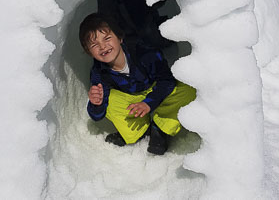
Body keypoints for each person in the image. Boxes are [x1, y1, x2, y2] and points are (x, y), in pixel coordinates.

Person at [79, 13, 196, 155]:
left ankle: (160, 128)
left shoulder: (143, 52)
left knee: (188, 90)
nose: (103, 46)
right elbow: (98, 115)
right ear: (89, 52)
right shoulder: (99, 73)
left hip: (157, 90)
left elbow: (166, 81)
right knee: (108, 99)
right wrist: (96, 104)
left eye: (107, 38)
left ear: (120, 38)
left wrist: (148, 103)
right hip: (131, 101)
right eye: (95, 45)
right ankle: (139, 132)